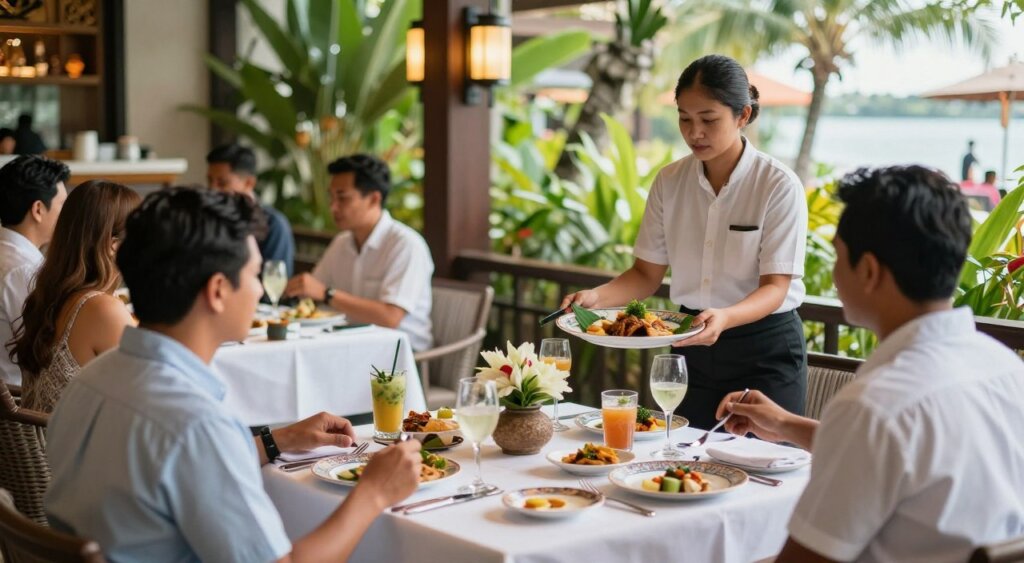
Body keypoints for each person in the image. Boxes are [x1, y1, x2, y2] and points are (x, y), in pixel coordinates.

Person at [44, 187, 422, 562]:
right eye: (255, 274)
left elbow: (178, 469)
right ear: (218, 290)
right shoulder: (196, 423)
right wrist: (373, 492)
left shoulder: (89, 382)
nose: (260, 289)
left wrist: (281, 439)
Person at [716, 166, 1024, 563]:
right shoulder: (1004, 368)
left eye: (839, 257)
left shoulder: (877, 403)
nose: (833, 272)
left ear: (869, 271)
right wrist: (786, 425)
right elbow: (906, 456)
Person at [560, 55, 807, 429]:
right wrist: (596, 298)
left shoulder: (777, 185)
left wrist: (724, 318)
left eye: (709, 120)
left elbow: (775, 287)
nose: (695, 133)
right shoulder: (669, 182)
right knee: (687, 465)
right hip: (692, 347)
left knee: (763, 472)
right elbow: (645, 274)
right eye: (684, 119)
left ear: (742, 115)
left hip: (764, 351)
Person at [9, 181, 140, 413]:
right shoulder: (101, 309)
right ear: (113, 245)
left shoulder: (51, 294)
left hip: (49, 443)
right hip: (79, 447)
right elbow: (151, 388)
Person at [284, 154, 434, 351]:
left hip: (399, 358)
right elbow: (311, 293)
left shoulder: (406, 245)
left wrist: (327, 294)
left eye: (342, 198)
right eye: (332, 197)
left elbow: (390, 318)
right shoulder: (342, 242)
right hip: (350, 345)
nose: (332, 207)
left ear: (374, 199)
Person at [0, 155, 69, 385]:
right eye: (62, 206)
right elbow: (43, 351)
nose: (67, 216)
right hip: (19, 407)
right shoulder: (22, 270)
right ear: (38, 209)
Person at [206, 143, 295, 277]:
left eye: (222, 183)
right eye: (209, 181)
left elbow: (273, 287)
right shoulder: (208, 217)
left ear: (249, 183)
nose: (212, 190)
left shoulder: (273, 225)